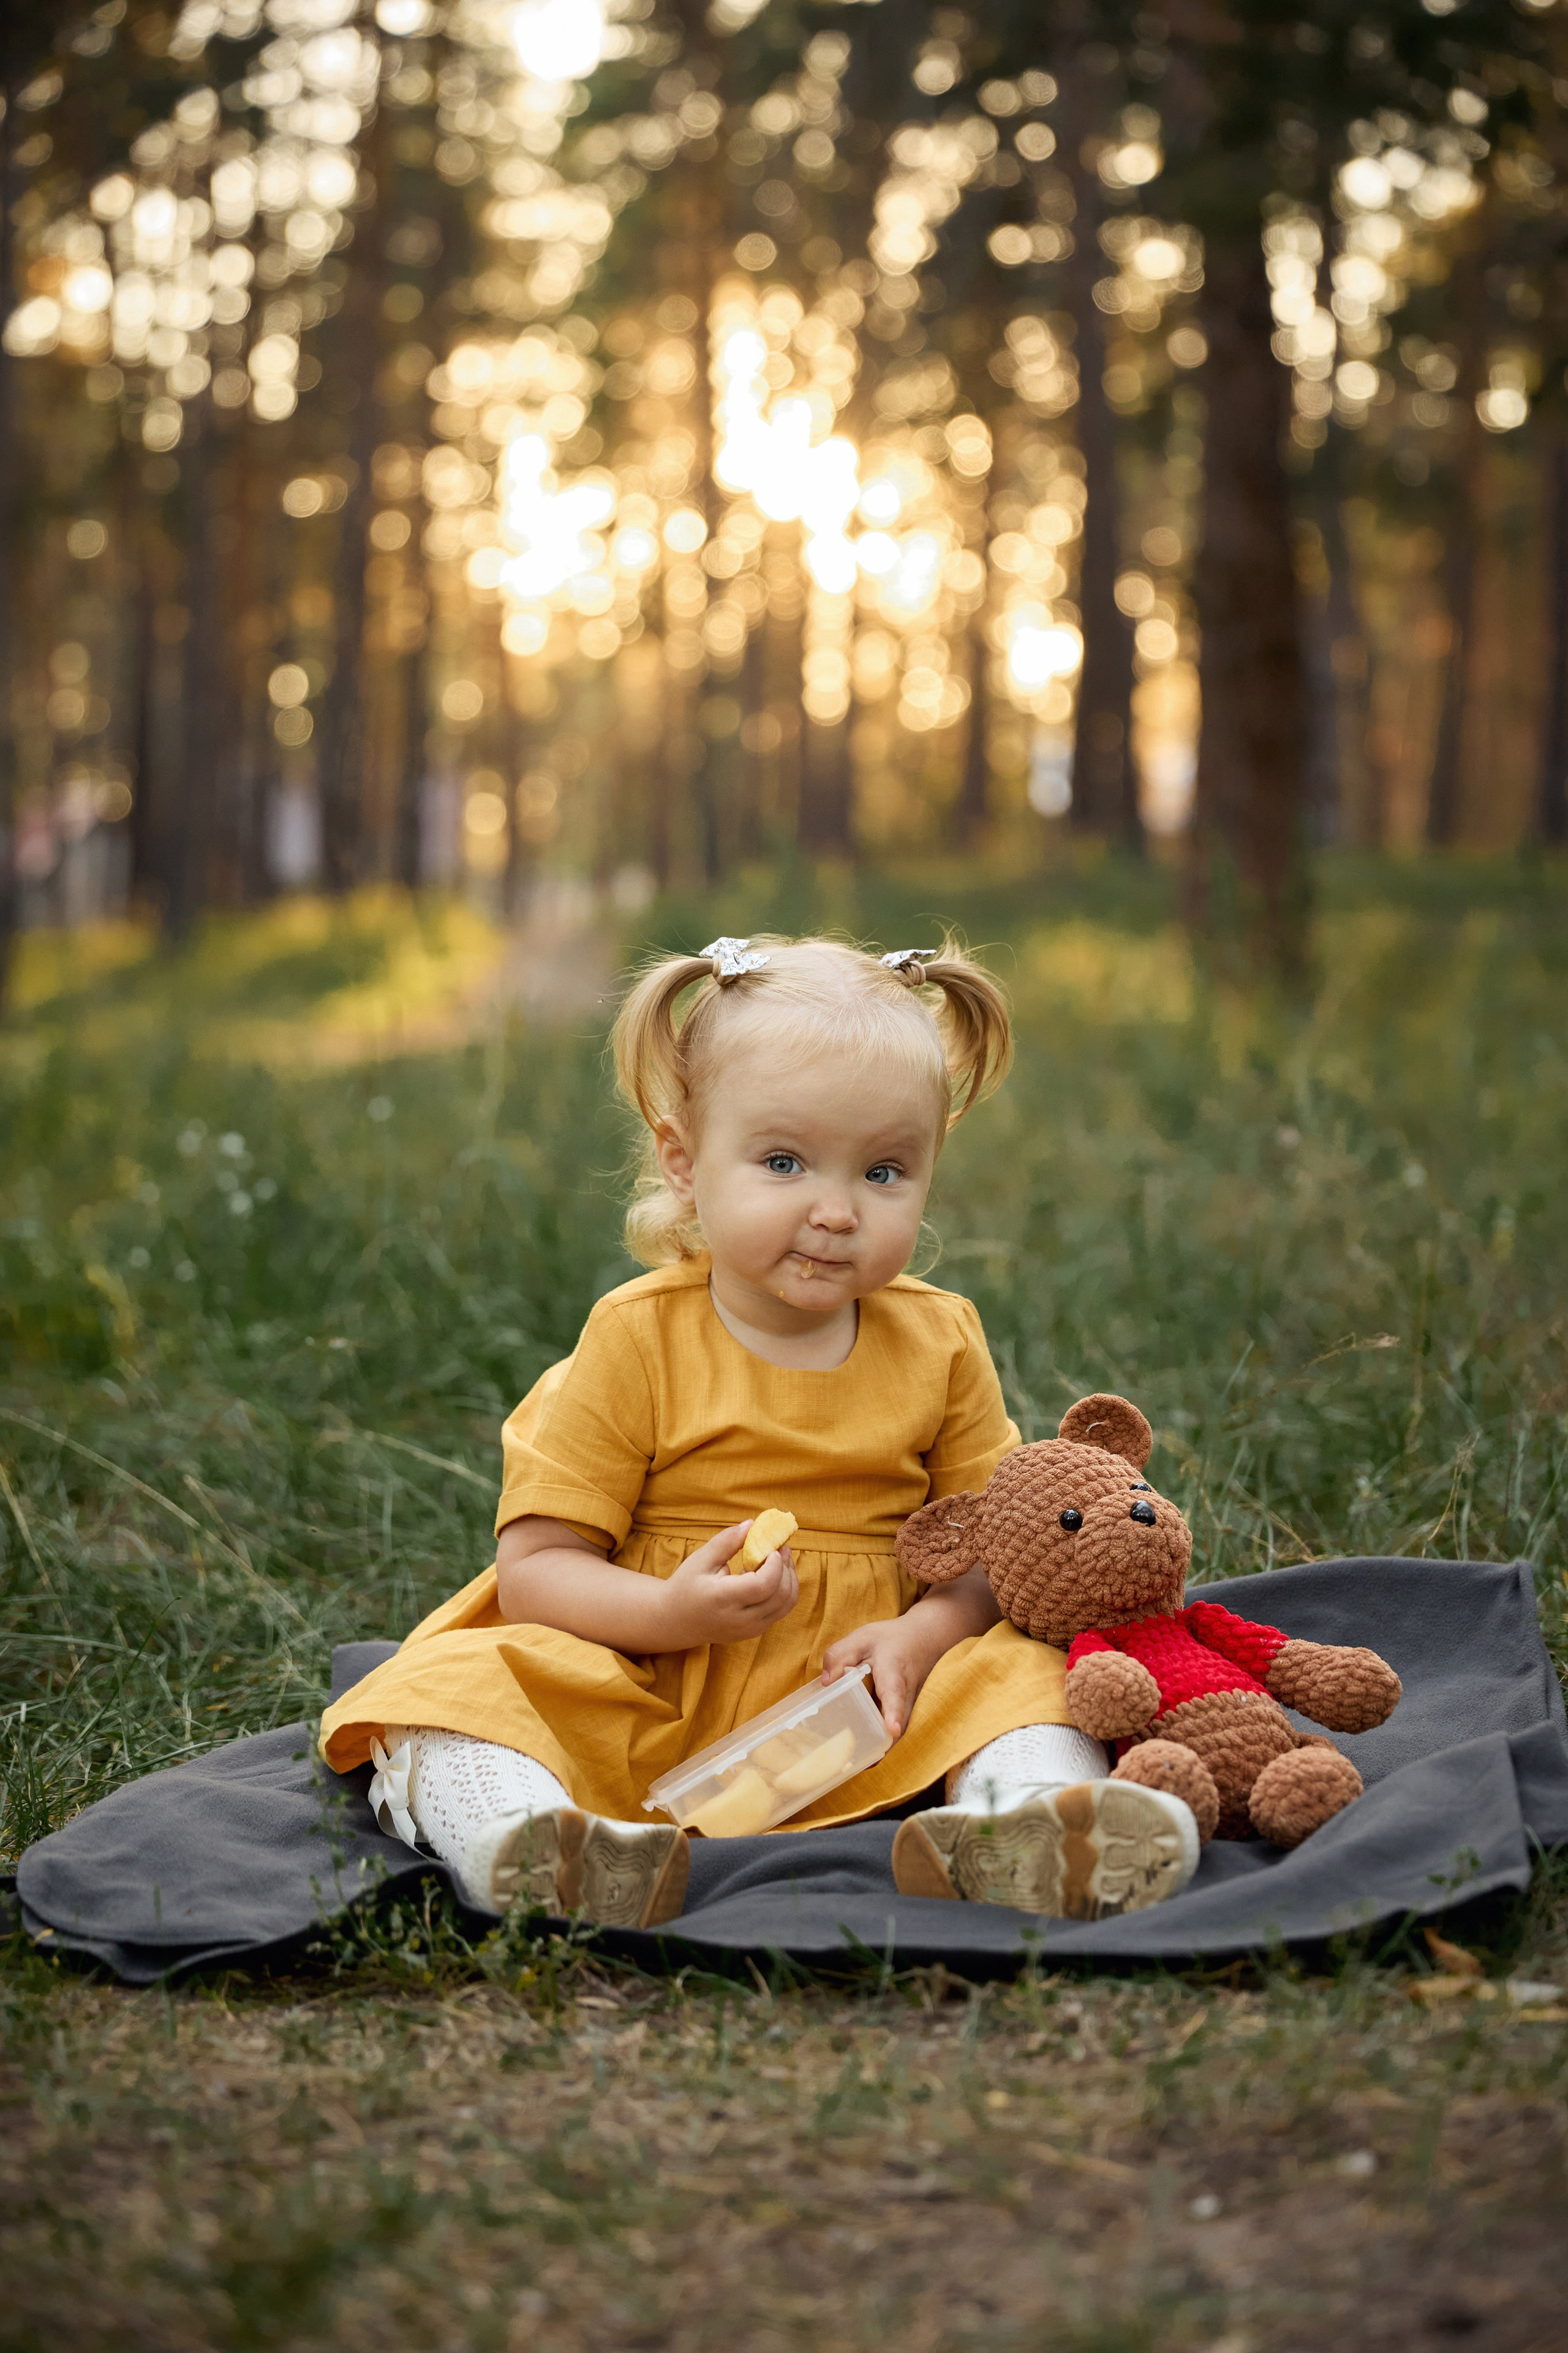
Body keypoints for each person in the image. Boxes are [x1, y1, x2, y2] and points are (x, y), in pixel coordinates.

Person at [320, 934, 1199, 1927]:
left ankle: (1025, 1820)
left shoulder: (940, 1337)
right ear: (684, 1161)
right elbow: (536, 1571)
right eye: (784, 1162)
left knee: (1030, 1666)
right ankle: (529, 1838)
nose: (836, 1211)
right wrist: (672, 1612)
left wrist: (923, 1634)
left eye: (884, 1171)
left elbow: (996, 1551)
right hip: (649, 1683)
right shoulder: (638, 1336)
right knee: (454, 1685)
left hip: (870, 1699)